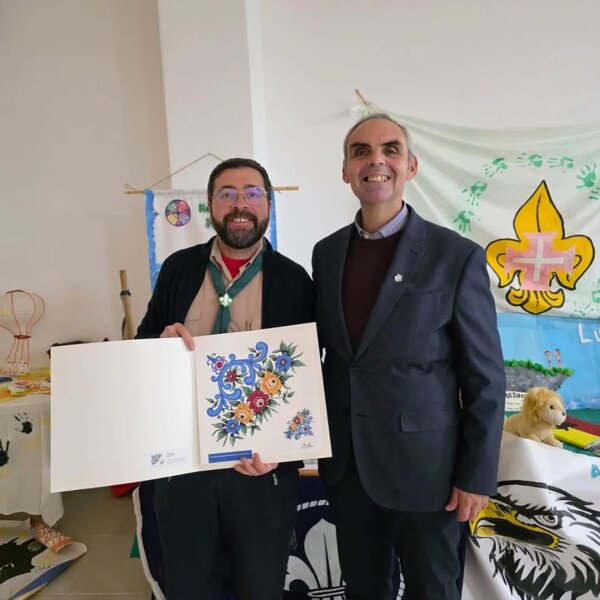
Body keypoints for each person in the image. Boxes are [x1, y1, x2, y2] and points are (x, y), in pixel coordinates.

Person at [311, 114, 506, 600]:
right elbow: (320, 354)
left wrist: (476, 475)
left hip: (428, 473)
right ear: (345, 171)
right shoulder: (326, 254)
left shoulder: (455, 256)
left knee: (433, 591)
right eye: (360, 151)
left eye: (390, 150)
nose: (375, 160)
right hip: (349, 468)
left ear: (411, 166)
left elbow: (485, 378)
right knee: (364, 590)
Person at [136, 157, 313, 600]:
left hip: (260, 470)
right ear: (211, 205)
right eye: (227, 194)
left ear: (268, 205)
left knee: (259, 588)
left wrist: (282, 452)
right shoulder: (178, 269)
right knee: (188, 586)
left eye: (252, 194)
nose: (240, 205)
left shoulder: (294, 280)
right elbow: (141, 345)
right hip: (184, 467)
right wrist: (160, 341)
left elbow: (308, 374)